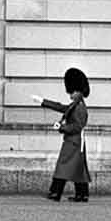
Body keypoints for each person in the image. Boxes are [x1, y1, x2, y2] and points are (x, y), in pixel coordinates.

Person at [30, 68, 91, 202]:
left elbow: (77, 126)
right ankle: (82, 194)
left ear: (79, 92)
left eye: (73, 91)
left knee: (62, 167)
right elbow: (60, 107)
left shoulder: (79, 107)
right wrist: (42, 101)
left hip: (74, 142)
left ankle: (55, 193)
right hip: (74, 141)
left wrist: (62, 127)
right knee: (77, 169)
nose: (70, 94)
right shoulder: (75, 104)